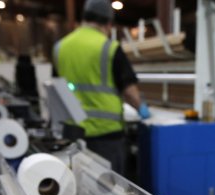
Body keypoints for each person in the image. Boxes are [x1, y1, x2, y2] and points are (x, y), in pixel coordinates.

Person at [53, 0, 150, 175]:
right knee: (110, 191)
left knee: (77, 183)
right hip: (106, 135)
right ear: (108, 23)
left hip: (72, 132)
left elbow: (57, 86)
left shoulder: (60, 47)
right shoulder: (109, 48)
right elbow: (129, 91)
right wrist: (142, 108)